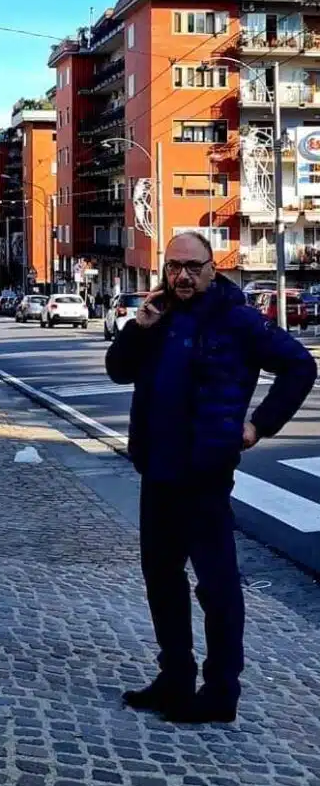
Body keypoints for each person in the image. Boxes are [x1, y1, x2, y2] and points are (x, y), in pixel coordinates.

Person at [106, 230, 316, 725]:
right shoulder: (157, 315)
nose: (181, 276)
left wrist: (258, 425)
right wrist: (138, 327)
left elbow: (299, 367)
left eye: (192, 267)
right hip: (157, 468)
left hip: (205, 471)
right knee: (161, 577)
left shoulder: (237, 319)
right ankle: (174, 676)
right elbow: (119, 371)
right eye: (174, 265)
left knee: (216, 585)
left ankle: (221, 691)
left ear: (211, 267)